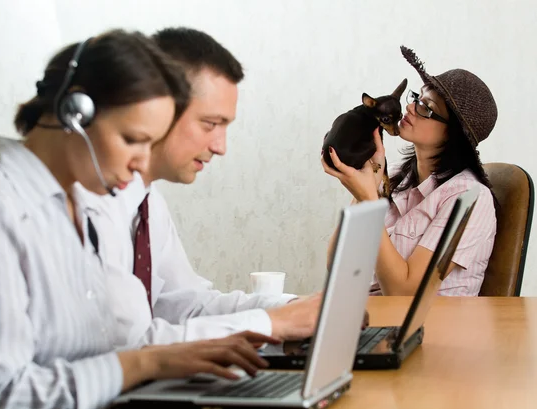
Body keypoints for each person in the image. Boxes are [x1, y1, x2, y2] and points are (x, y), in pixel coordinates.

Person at [0, 29, 278, 409]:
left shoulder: (82, 210)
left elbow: (100, 351)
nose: (143, 162)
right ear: (76, 114)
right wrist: (147, 362)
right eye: (133, 140)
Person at [76, 27, 323, 349]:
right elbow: (129, 344)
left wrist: (290, 309)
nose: (220, 147)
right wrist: (271, 323)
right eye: (210, 124)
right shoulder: (92, 203)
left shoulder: (147, 203)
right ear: (159, 107)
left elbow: (185, 305)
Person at [322, 46, 498, 297]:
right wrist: (362, 189)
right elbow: (336, 265)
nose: (411, 108)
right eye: (416, 98)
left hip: (429, 331)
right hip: (366, 319)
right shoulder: (393, 176)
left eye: (427, 107)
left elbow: (403, 293)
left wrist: (369, 200)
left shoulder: (470, 199)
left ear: (453, 134)